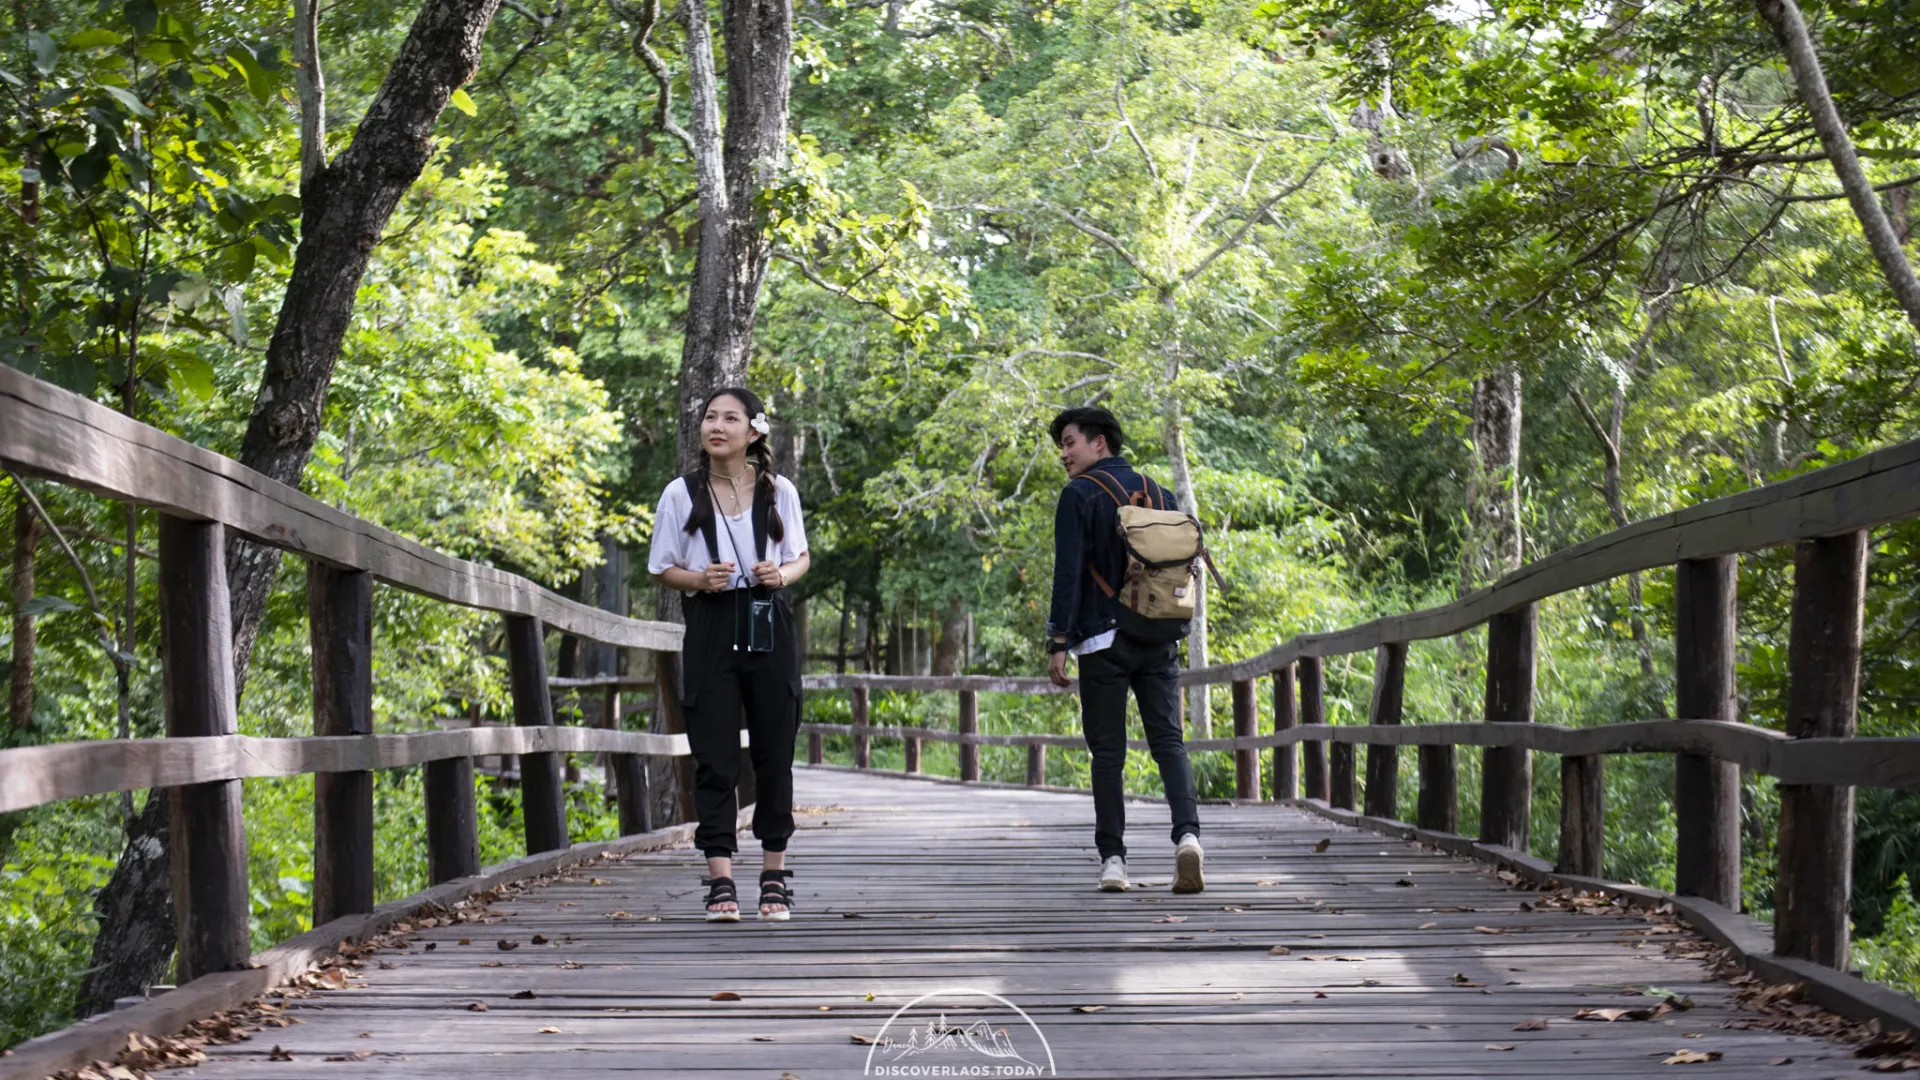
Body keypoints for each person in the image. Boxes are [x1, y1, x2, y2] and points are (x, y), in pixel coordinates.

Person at [648, 387, 811, 921]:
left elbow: (800, 556)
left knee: (773, 753)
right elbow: (662, 565)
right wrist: (699, 578)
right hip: (711, 623)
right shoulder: (681, 492)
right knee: (714, 755)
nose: (717, 425)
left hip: (769, 622)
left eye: (730, 418)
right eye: (710, 417)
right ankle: (720, 879)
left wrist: (779, 574)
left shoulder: (778, 490)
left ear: (754, 431)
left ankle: (773, 876)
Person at [1045, 406, 1204, 894]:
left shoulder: (1078, 495)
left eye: (1070, 442)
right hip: (1159, 636)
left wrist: (1057, 641)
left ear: (1100, 443)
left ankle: (1114, 861)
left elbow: (1068, 572)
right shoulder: (1162, 492)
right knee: (1169, 743)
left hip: (1102, 639)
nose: (1064, 455)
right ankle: (1188, 837)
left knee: (1108, 753)